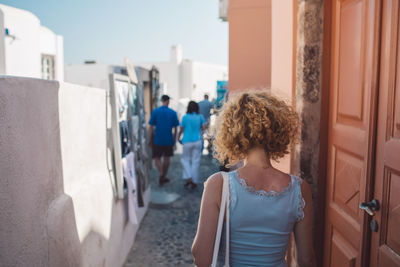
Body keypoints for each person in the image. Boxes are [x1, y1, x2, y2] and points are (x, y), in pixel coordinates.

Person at [192, 91, 316, 267]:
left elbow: (201, 257)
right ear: (279, 130)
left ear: (233, 132)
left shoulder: (219, 184)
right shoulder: (299, 189)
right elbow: (306, 259)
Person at [148, 95, 179, 185]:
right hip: (169, 139)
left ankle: (161, 173)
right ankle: (164, 175)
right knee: (167, 158)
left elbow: (151, 127)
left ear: (161, 101)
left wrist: (149, 139)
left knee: (157, 158)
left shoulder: (155, 111)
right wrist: (174, 139)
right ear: (168, 101)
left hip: (157, 139)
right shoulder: (173, 112)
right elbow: (175, 128)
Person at [178, 101, 206, 189]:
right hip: (197, 141)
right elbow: (203, 128)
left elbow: (181, 128)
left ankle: (189, 177)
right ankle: (194, 181)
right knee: (196, 162)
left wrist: (178, 137)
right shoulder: (200, 117)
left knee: (185, 160)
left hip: (187, 141)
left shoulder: (185, 117)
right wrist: (200, 134)